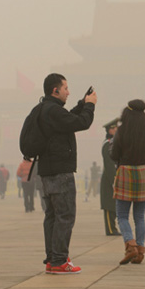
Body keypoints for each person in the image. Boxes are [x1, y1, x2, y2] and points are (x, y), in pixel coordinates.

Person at [37, 73, 96, 275]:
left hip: (46, 172)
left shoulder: (45, 109)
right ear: (55, 90)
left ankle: (52, 259)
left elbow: (69, 118)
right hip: (60, 173)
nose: (68, 92)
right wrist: (90, 106)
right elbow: (81, 123)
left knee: (52, 216)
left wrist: (81, 103)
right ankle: (60, 261)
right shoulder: (53, 111)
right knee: (65, 215)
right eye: (65, 88)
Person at [111, 99, 145, 264]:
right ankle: (141, 250)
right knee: (139, 216)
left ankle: (130, 245)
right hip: (144, 171)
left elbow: (114, 154)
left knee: (122, 215)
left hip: (126, 172)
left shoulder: (122, 131)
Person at [100, 118, 120, 235]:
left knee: (114, 205)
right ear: (109, 130)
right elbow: (109, 164)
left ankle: (113, 228)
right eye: (114, 128)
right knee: (109, 206)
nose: (116, 129)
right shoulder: (107, 144)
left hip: (115, 176)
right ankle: (110, 229)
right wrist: (113, 180)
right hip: (109, 178)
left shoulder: (114, 143)